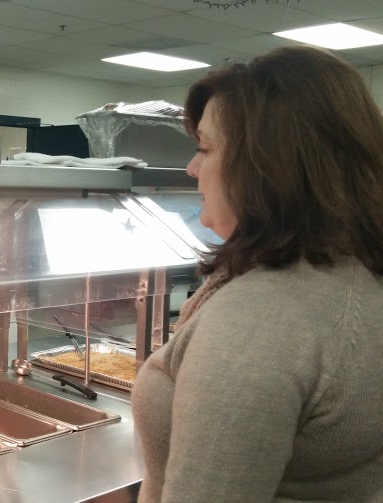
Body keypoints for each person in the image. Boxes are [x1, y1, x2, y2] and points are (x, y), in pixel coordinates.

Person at [131, 46, 383, 502]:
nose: (191, 169)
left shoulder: (260, 320)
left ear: (269, 168)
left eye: (205, 148)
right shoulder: (359, 272)